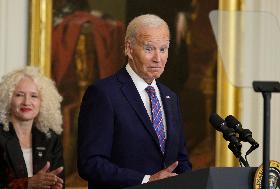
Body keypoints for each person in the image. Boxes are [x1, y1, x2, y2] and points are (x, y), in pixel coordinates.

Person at [77, 14, 192, 189]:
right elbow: (91, 163)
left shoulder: (171, 97)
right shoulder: (104, 94)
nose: (158, 58)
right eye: (149, 49)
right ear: (129, 49)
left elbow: (180, 159)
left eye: (163, 49)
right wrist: (146, 180)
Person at [0, 66, 65, 188]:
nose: (26, 102)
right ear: (8, 99)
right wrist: (27, 184)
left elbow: (60, 182)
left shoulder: (51, 139)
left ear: (43, 102)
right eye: (19, 95)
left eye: (34, 96)